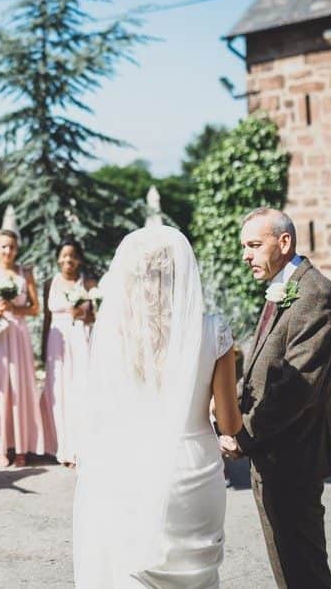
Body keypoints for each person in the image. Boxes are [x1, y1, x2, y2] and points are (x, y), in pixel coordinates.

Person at [73, 225, 241, 587]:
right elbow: (229, 423)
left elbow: (104, 412)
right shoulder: (214, 332)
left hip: (134, 465)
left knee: (135, 566)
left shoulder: (116, 334)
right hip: (195, 467)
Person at [223, 207, 331, 589]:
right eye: (244, 246)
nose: (246, 255)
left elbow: (296, 389)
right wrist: (227, 405)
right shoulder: (284, 286)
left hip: (296, 453)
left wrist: (243, 435)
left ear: (285, 241)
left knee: (302, 564)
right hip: (276, 451)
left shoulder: (315, 295)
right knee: (288, 560)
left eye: (255, 245)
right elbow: (265, 364)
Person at [0, 229, 44, 467]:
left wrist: (14, 310)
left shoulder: (25, 273)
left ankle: (22, 447)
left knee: (19, 387)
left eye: (12, 247)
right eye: (3, 246)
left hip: (18, 335)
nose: (8, 251)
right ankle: (0, 447)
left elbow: (35, 308)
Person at [40, 238, 96, 468]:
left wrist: (81, 314)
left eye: (72, 255)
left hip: (81, 342)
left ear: (79, 259)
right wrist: (43, 349)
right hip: (57, 343)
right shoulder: (49, 284)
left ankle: (80, 448)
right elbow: (46, 317)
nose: (68, 260)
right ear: (57, 258)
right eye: (64, 255)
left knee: (80, 392)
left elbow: (96, 316)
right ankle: (60, 446)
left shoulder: (89, 283)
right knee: (58, 393)